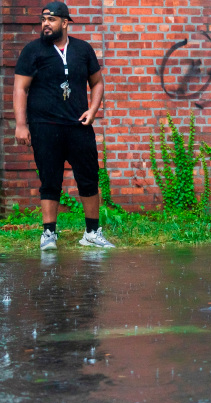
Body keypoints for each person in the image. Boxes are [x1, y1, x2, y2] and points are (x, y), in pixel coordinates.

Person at [14, 2, 114, 250]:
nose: (45, 24)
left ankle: (91, 232)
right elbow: (20, 88)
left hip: (78, 126)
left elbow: (98, 83)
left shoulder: (83, 49)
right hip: (44, 126)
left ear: (65, 22)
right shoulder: (32, 51)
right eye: (43, 19)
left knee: (89, 178)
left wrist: (93, 110)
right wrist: (20, 124)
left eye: (51, 19)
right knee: (50, 180)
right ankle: (49, 234)